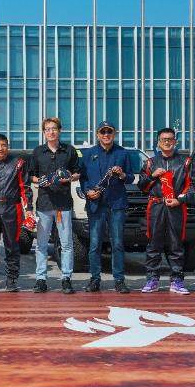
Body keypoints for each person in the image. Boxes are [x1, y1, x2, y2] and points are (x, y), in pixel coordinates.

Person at [137, 127, 195, 295]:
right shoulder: (150, 163)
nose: (167, 142)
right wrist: (152, 176)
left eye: (170, 139)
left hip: (176, 207)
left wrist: (180, 199)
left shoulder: (185, 162)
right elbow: (141, 186)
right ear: (158, 142)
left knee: (176, 244)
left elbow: (193, 186)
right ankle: (152, 279)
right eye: (163, 139)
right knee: (153, 243)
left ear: (175, 142)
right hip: (156, 206)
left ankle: (177, 280)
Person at [79, 121, 134, 294]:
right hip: (96, 205)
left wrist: (122, 174)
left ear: (114, 133)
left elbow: (131, 177)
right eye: (102, 132)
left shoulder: (122, 153)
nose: (106, 135)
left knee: (117, 244)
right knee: (95, 244)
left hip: (116, 204)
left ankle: (119, 280)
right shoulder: (89, 154)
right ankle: (95, 279)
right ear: (97, 134)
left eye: (109, 131)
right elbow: (83, 178)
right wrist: (88, 191)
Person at [30, 117, 81, 294]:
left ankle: (66, 278)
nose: (51, 132)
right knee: (41, 244)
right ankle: (41, 279)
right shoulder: (38, 151)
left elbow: (77, 172)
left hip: (63, 204)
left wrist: (70, 177)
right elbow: (32, 175)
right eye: (47, 129)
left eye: (54, 129)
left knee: (66, 244)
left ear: (60, 130)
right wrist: (39, 180)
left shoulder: (69, 150)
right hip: (44, 204)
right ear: (44, 132)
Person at [0, 134, 33, 292]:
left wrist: (28, 209)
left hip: (12, 208)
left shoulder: (18, 164)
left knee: (12, 246)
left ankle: (12, 280)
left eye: (3, 145)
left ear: (8, 146)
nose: (1, 148)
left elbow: (25, 188)